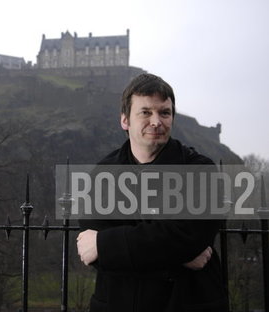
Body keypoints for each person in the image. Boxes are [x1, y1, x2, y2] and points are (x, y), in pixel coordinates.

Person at [76, 73, 229, 311]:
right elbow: (90, 251)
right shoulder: (102, 172)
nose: (156, 121)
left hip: (185, 302)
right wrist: (178, 255)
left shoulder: (200, 169)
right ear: (125, 120)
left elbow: (190, 234)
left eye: (164, 113)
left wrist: (106, 245)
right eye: (146, 112)